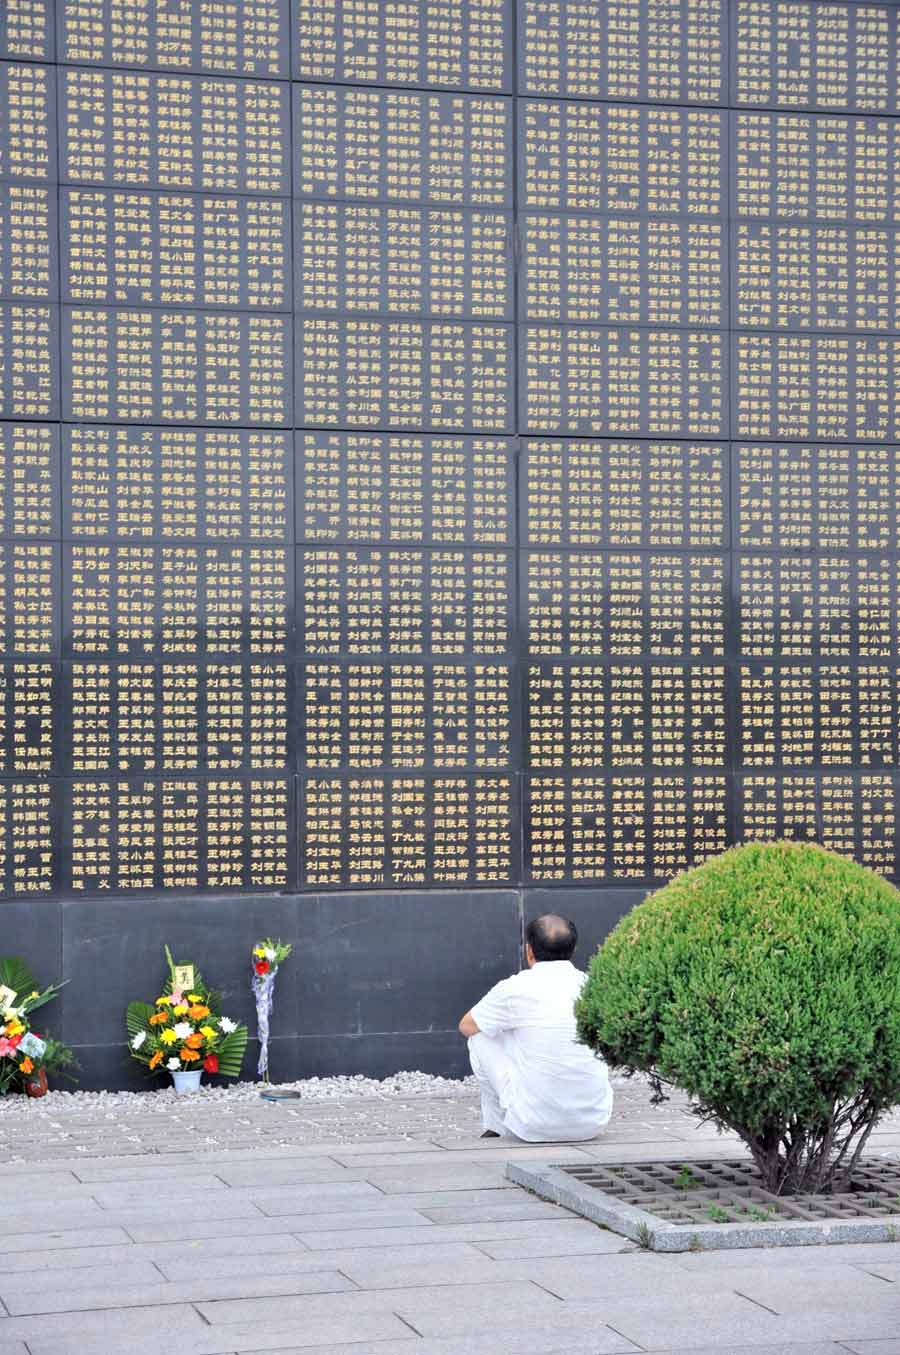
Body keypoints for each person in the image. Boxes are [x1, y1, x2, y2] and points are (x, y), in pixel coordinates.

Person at [458, 914, 613, 1142]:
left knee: (481, 1035)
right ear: (573, 949)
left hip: (533, 1126)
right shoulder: (592, 987)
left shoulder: (514, 988)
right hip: (593, 1124)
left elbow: (467, 1026)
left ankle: (497, 1126)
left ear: (529, 951)